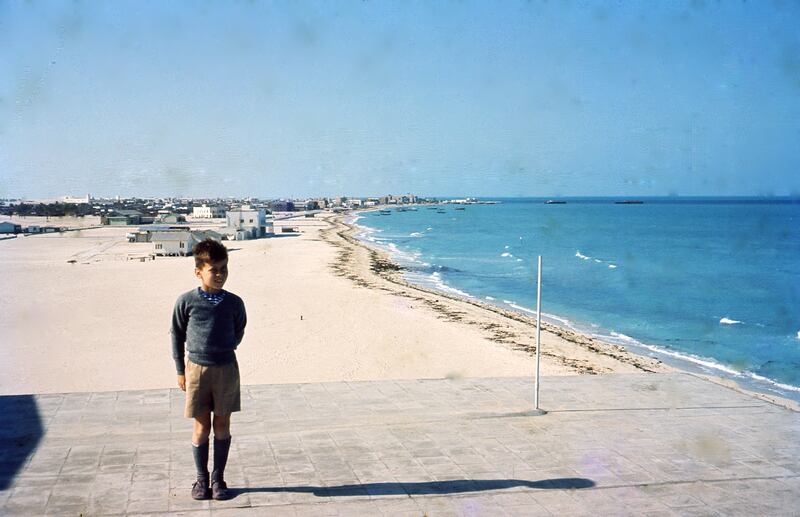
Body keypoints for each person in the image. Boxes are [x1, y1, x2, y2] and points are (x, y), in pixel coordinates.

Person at [171, 238, 247, 501]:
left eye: (224, 269)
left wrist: (224, 348)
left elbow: (239, 330)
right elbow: (176, 335)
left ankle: (218, 479)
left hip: (226, 368)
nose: (220, 275)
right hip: (196, 370)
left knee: (223, 424)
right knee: (201, 426)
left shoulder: (234, 302)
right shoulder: (186, 302)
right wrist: (181, 370)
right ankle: (201, 480)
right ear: (198, 271)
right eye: (214, 270)